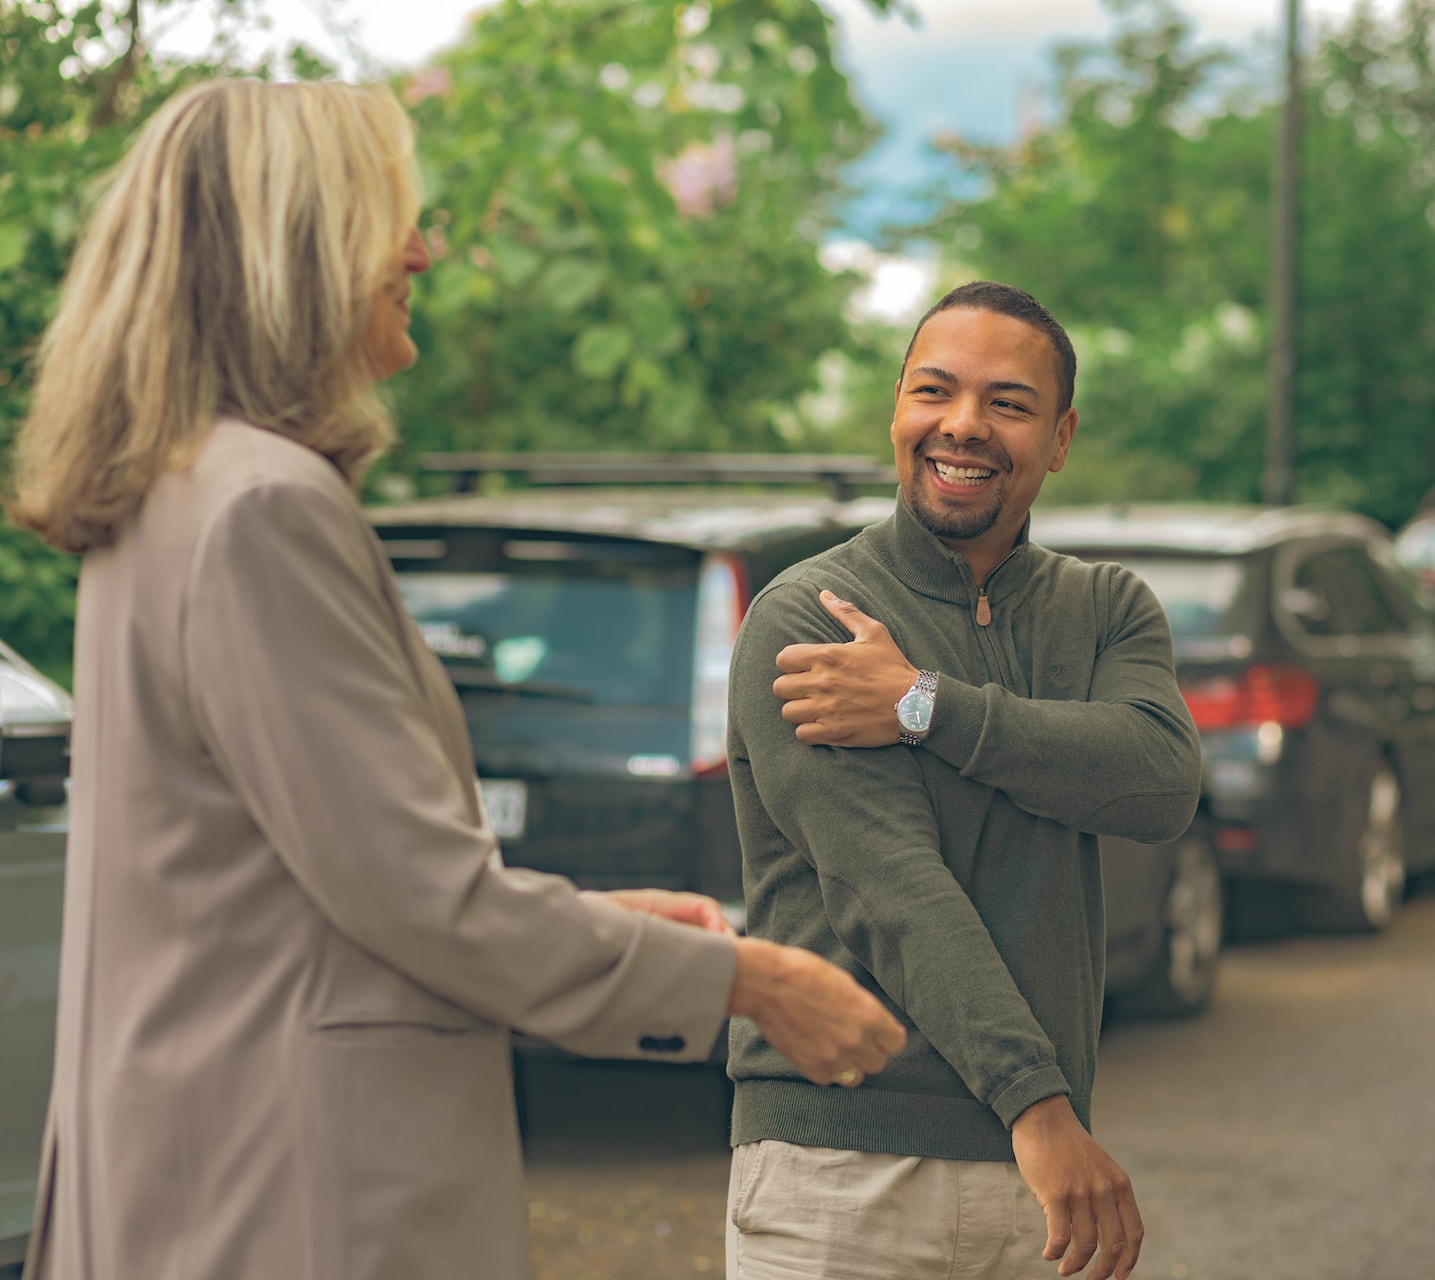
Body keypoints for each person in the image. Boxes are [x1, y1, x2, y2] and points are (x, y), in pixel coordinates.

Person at [9, 79, 903, 1280]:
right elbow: (418, 896)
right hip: (290, 1188)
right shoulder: (264, 507)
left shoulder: (174, 491)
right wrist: (746, 975)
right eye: (396, 218)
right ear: (303, 245)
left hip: (206, 1158)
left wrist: (603, 922)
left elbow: (309, 880)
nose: (423, 248)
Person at [722, 281, 1204, 1280]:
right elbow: (887, 882)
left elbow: (1157, 780)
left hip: (1032, 1188)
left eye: (1009, 403)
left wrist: (921, 704)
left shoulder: (1106, 608)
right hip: (839, 1166)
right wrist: (1039, 1104)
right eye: (935, 391)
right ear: (897, 406)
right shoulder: (811, 616)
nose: (964, 426)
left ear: (1060, 437)